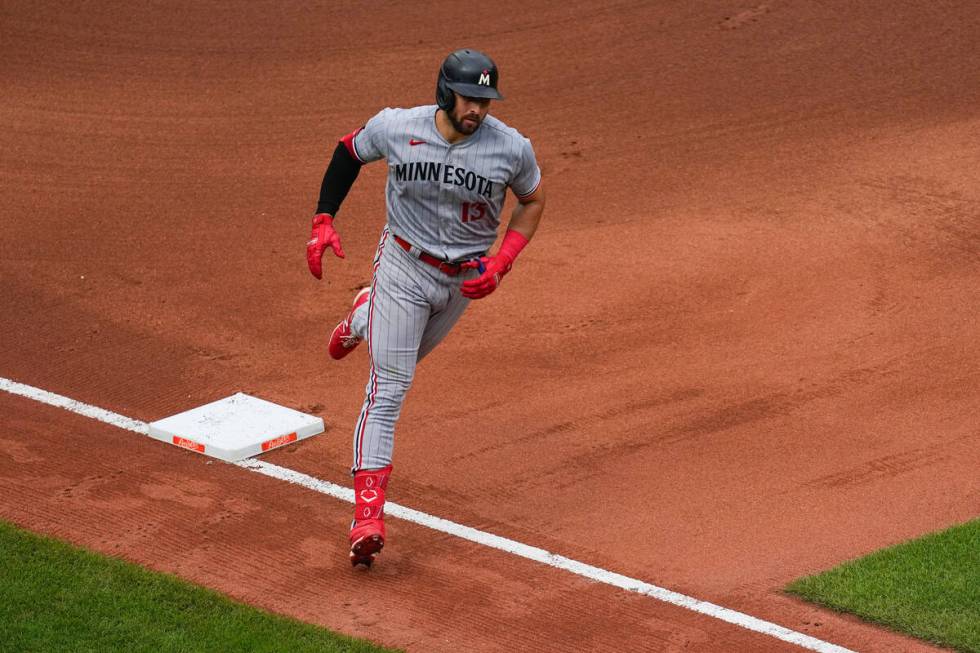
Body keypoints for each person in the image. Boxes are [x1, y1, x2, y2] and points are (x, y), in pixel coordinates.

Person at [306, 48, 545, 568]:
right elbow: (349, 151)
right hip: (403, 264)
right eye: (469, 98)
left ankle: (364, 317)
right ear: (445, 91)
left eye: (485, 100)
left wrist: (502, 261)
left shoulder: (511, 149)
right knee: (389, 386)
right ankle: (367, 516)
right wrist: (324, 218)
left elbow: (532, 201)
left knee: (403, 358)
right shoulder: (397, 127)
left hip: (461, 282)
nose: (478, 109)